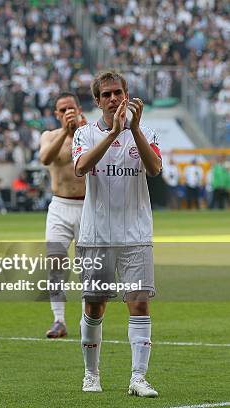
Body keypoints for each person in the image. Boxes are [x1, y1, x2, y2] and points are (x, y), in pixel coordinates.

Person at [72, 70, 162, 397]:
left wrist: (133, 130)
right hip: (97, 235)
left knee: (138, 303)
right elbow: (80, 168)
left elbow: (154, 168)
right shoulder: (84, 134)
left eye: (118, 93)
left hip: (136, 234)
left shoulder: (147, 132)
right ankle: (91, 374)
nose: (113, 99)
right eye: (106, 94)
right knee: (95, 306)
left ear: (127, 95)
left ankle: (138, 378)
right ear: (97, 101)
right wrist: (112, 134)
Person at [38, 91, 86, 339]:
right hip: (60, 206)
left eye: (71, 108)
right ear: (56, 114)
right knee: (55, 262)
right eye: (63, 109)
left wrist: (80, 131)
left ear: (79, 108)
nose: (68, 112)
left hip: (88, 206)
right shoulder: (49, 136)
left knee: (88, 267)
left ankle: (86, 320)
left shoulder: (91, 133)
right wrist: (66, 133)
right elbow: (45, 158)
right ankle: (59, 320)